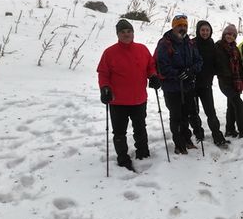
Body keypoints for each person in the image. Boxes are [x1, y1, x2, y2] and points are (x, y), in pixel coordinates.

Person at [97, 19, 159, 172]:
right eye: (123, 32)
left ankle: (143, 152)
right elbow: (103, 73)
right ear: (118, 34)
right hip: (118, 101)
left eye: (129, 31)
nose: (126, 34)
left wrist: (153, 76)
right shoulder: (109, 52)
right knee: (119, 131)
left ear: (133, 33)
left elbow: (150, 66)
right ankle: (123, 158)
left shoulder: (142, 49)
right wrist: (105, 88)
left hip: (139, 99)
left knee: (140, 128)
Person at [154, 14, 203, 154]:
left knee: (187, 114)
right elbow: (162, 65)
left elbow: (199, 61)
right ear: (174, 27)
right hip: (172, 87)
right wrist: (177, 74)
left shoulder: (190, 43)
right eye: (179, 26)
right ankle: (178, 143)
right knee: (175, 115)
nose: (182, 28)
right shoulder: (164, 43)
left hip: (188, 85)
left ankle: (187, 140)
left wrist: (190, 71)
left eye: (185, 26)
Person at [189, 20, 227, 147]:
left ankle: (217, 135)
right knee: (194, 111)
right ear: (198, 31)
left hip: (206, 84)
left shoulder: (212, 44)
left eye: (207, 30)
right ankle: (198, 134)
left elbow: (216, 61)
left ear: (210, 31)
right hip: (192, 84)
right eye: (202, 30)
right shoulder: (192, 44)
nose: (205, 32)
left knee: (211, 111)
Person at [213, 24, 243, 141]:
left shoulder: (235, 48)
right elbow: (215, 63)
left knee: (231, 105)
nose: (230, 36)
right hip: (225, 82)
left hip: (236, 81)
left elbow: (240, 65)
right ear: (224, 34)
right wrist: (223, 73)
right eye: (228, 34)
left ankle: (229, 129)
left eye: (233, 35)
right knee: (239, 105)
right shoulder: (218, 47)